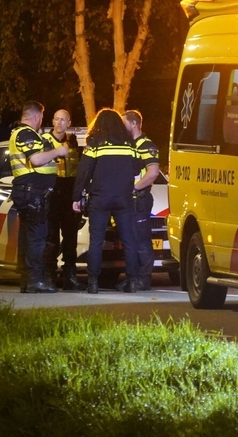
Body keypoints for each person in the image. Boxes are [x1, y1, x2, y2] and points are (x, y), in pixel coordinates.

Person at [71, 108, 140, 294]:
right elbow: (136, 169)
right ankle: (132, 282)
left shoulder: (95, 143)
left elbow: (84, 172)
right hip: (124, 199)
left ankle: (92, 283)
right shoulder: (129, 144)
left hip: (100, 198)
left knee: (96, 241)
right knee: (129, 241)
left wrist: (76, 196)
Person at [9, 101, 70, 294]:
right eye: (41, 118)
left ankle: (28, 281)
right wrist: (58, 151)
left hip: (29, 191)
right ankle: (35, 281)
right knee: (37, 237)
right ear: (37, 117)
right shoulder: (26, 133)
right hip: (32, 192)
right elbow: (36, 160)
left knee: (29, 237)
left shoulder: (19, 133)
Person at [42, 109, 82, 290]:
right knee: (51, 238)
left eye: (63, 120)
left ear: (69, 122)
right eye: (56, 119)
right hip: (52, 191)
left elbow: (79, 167)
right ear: (52, 121)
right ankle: (49, 275)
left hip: (69, 192)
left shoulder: (73, 141)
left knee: (70, 237)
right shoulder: (45, 141)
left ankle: (70, 276)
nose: (59, 123)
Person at [123, 109, 160, 292]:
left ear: (134, 123)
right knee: (131, 241)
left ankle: (143, 280)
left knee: (142, 241)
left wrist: (134, 188)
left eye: (124, 124)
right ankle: (133, 278)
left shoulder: (146, 145)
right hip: (130, 200)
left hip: (140, 199)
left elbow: (153, 173)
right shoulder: (130, 145)